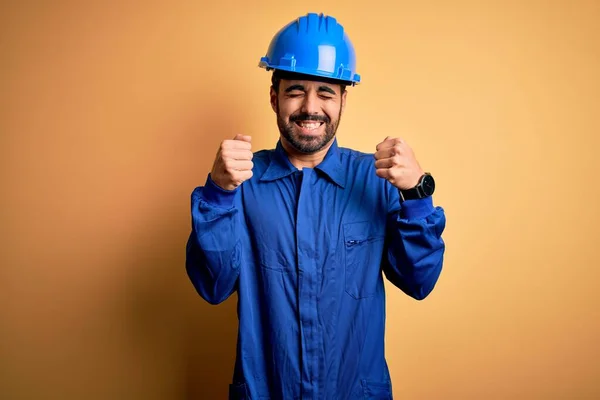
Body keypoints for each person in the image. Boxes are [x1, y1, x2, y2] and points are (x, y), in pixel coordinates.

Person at [186, 12, 446, 400]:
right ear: (274, 96)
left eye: (325, 92)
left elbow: (419, 281)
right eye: (295, 90)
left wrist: (416, 196)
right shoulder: (241, 182)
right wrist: (219, 193)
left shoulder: (377, 181)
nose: (311, 107)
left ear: (343, 100)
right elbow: (213, 285)